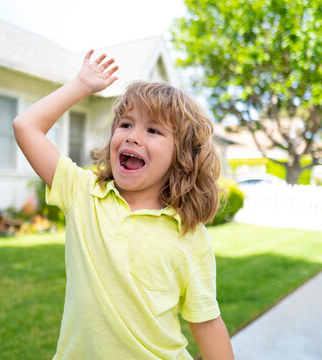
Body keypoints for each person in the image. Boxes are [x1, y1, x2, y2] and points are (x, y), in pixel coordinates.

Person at [13, 50, 234, 360]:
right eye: (126, 124)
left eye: (153, 130)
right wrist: (81, 85)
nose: (132, 136)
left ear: (181, 157)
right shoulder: (83, 194)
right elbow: (26, 127)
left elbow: (207, 323)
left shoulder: (190, 236)